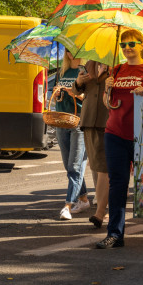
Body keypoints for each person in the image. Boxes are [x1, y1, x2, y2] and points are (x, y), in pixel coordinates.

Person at [97, 30, 143, 248]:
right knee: (117, 184)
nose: (127, 48)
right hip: (115, 133)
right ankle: (115, 234)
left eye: (132, 44)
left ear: (141, 45)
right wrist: (106, 89)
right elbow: (108, 104)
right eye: (123, 45)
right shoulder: (116, 69)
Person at [53, 51, 91, 220]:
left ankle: (67, 205)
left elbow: (89, 98)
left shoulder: (85, 71)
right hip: (61, 121)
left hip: (78, 122)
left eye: (74, 49)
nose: (71, 53)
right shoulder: (62, 72)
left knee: (75, 167)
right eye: (68, 50)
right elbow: (57, 100)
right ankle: (83, 199)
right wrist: (57, 93)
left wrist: (74, 92)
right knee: (68, 166)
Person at [75, 60, 110, 229]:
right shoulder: (89, 64)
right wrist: (79, 82)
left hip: (108, 119)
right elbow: (77, 90)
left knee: (104, 166)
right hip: (89, 119)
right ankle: (102, 202)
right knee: (96, 165)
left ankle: (103, 208)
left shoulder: (116, 66)